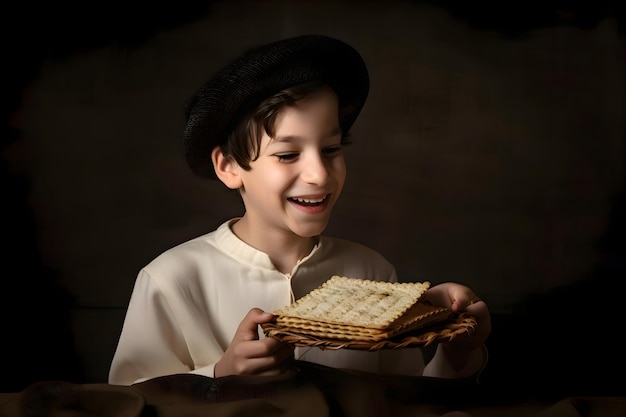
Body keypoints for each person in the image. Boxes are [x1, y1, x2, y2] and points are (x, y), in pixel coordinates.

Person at [108, 34, 491, 385]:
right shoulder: (170, 280)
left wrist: (457, 351)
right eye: (288, 154)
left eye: (331, 149)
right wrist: (219, 376)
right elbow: (129, 399)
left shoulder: (373, 272)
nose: (319, 173)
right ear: (228, 167)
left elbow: (403, 400)